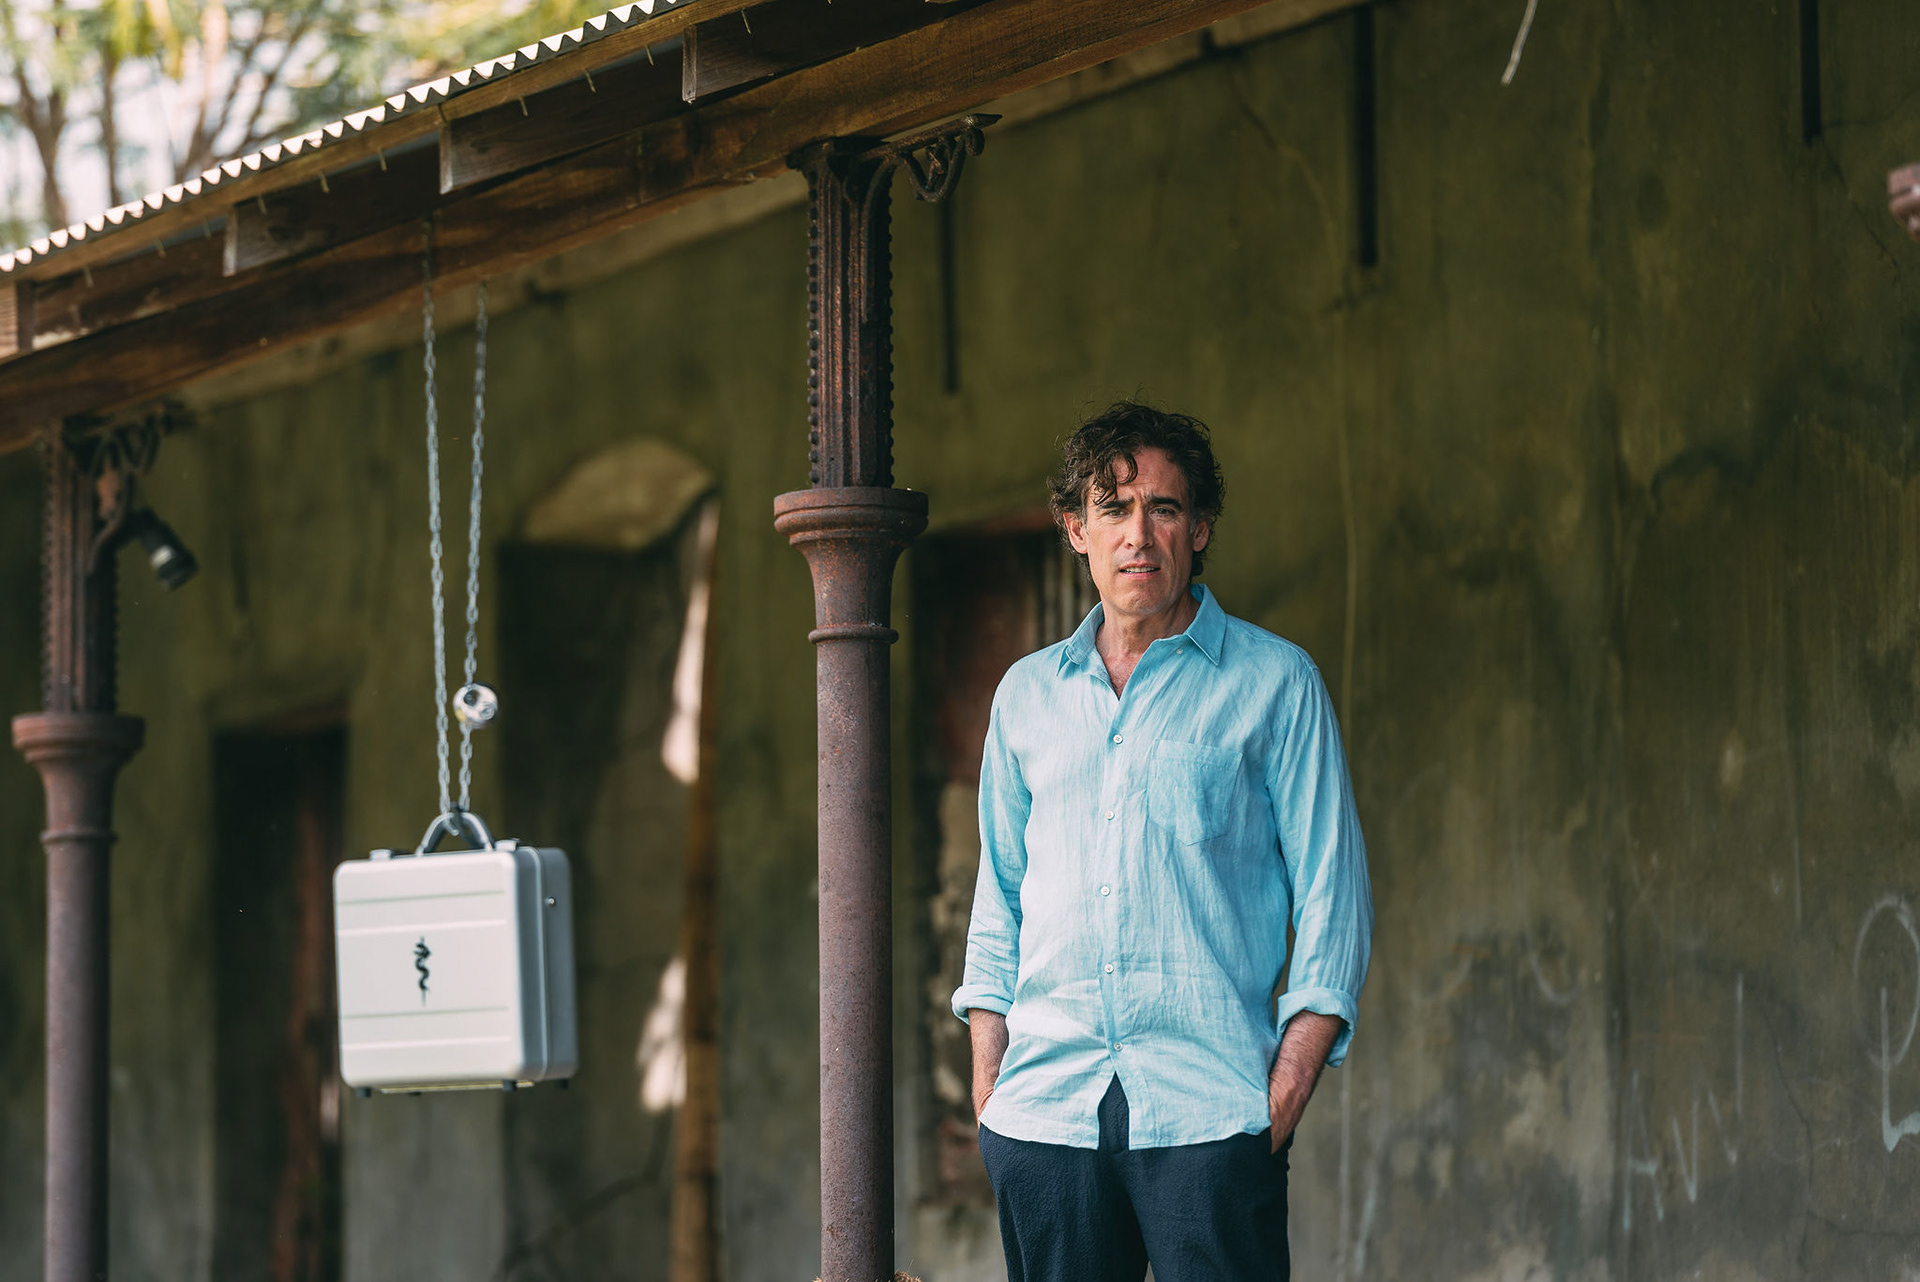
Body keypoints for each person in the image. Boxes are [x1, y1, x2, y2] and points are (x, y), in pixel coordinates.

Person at [951, 402, 1374, 1282]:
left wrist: (1283, 1092)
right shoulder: (1026, 696)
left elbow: (1334, 904)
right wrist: (992, 1091)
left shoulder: (1277, 684)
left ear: (1200, 527)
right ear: (1076, 530)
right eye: (1112, 508)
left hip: (1211, 1118)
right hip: (1046, 1120)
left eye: (1164, 508)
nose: (1138, 535)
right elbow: (998, 900)